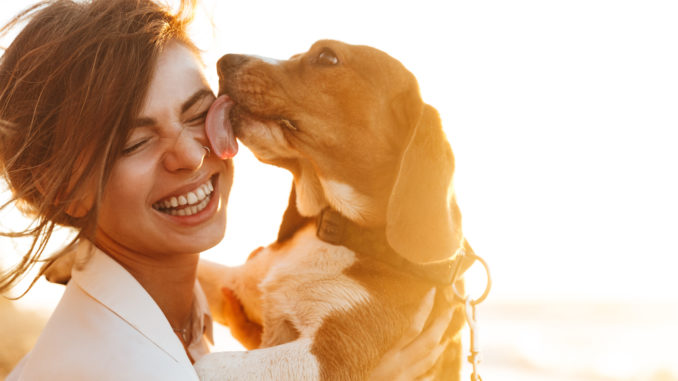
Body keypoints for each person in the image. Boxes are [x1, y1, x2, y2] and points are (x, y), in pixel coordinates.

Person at [0, 0, 454, 379]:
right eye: (135, 142)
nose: (193, 157)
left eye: (200, 114)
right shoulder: (106, 367)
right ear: (63, 189)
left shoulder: (186, 314)